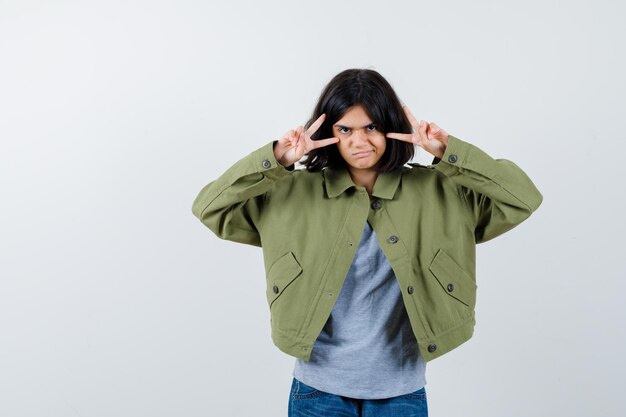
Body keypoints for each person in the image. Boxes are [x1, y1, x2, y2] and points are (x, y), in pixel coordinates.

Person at [191, 68, 542, 417]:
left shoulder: (441, 192)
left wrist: (450, 152)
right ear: (329, 131)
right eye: (345, 129)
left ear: (391, 126)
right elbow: (209, 208)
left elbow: (523, 197)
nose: (359, 142)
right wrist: (276, 161)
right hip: (317, 391)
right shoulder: (291, 193)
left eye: (371, 127)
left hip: (401, 392)